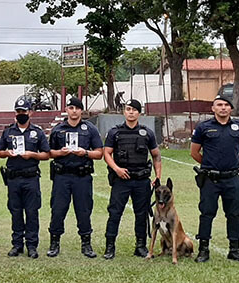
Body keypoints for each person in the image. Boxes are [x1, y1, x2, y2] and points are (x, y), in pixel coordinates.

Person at [190, 95, 239, 264]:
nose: (223, 108)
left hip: (232, 178)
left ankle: (235, 250)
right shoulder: (204, 127)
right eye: (219, 105)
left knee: (234, 214)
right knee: (207, 214)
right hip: (210, 180)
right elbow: (194, 152)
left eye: (226, 105)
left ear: (231, 109)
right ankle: (203, 250)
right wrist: (210, 165)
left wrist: (231, 164)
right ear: (213, 109)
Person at [103, 99, 161, 259]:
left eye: (134, 110)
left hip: (141, 180)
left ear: (139, 113)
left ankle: (140, 246)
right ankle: (110, 247)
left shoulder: (147, 132)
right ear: (124, 111)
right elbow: (106, 153)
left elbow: (156, 155)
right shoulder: (115, 132)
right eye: (128, 109)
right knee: (115, 213)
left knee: (141, 214)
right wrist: (116, 169)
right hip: (121, 179)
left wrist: (157, 176)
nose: (131, 112)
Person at [47, 97, 104, 258]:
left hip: (82, 177)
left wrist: (84, 152)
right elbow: (49, 152)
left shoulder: (90, 129)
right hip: (62, 176)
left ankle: (86, 244)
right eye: (71, 107)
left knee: (84, 210)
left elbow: (99, 153)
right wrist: (60, 152)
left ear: (81, 110)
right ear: (66, 109)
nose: (73, 111)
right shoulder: (58, 129)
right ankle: (54, 243)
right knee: (58, 210)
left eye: (77, 108)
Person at [0, 98, 50, 258]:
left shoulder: (37, 132)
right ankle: (17, 245)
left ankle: (32, 246)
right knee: (16, 212)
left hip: (31, 177)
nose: (21, 114)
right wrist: (7, 153)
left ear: (30, 112)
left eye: (24, 112)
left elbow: (46, 154)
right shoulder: (8, 131)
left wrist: (32, 155)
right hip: (13, 178)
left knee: (32, 212)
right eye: (18, 112)